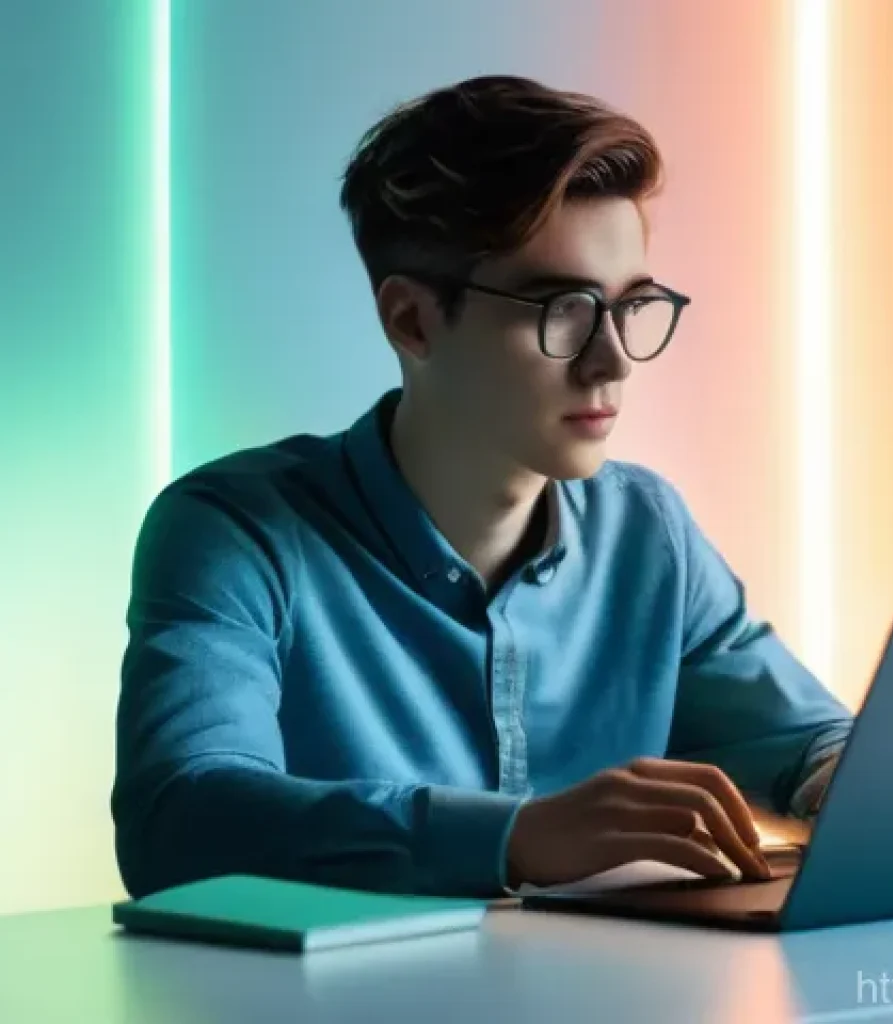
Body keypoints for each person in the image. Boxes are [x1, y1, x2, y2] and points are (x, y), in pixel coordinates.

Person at [111, 75, 853, 900]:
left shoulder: (647, 531)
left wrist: (841, 781)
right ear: (413, 322)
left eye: (631, 307)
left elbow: (806, 739)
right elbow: (177, 818)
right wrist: (516, 838)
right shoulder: (235, 531)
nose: (612, 362)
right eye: (564, 310)